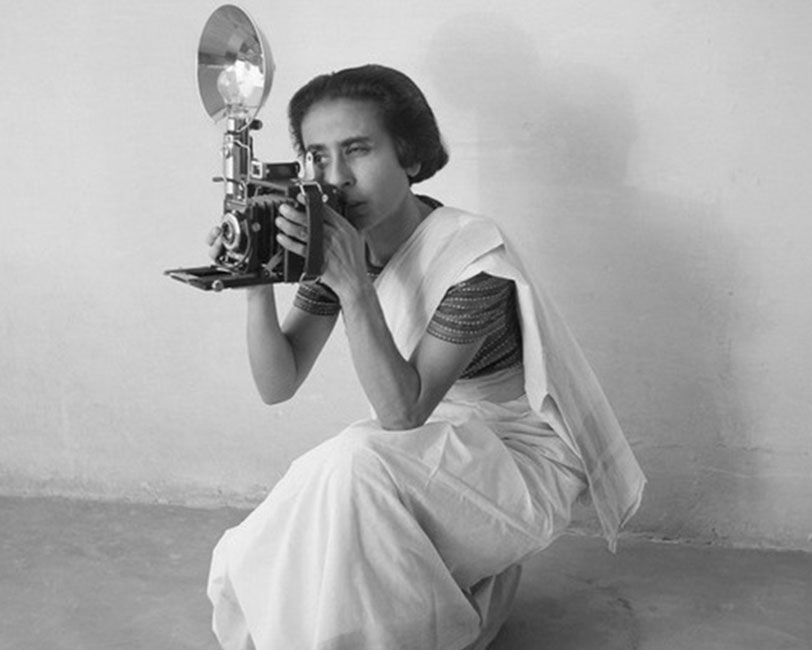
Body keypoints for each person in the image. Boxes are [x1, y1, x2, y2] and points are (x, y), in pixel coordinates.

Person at [206, 64, 645, 650]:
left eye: (358, 150)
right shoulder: (339, 245)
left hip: (518, 457)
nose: (336, 178)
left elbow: (402, 415)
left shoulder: (472, 259)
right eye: (317, 156)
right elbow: (277, 384)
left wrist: (355, 287)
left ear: (409, 156)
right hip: (433, 447)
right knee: (324, 484)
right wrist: (256, 277)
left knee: (357, 460)